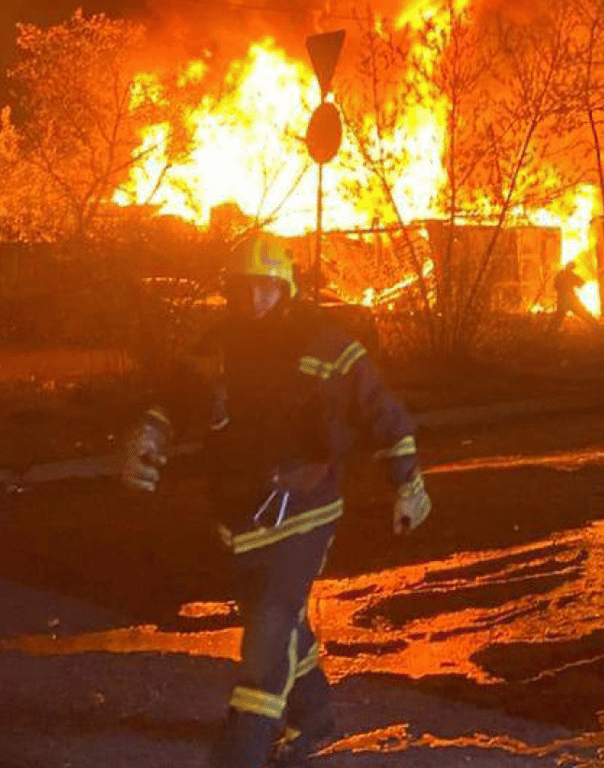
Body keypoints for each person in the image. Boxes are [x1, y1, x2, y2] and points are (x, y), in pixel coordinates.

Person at [120, 236, 432, 767]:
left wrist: (408, 483)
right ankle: (315, 716)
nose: (254, 301)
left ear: (286, 289)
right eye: (243, 290)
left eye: (266, 288)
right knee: (281, 618)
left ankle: (244, 747)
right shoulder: (216, 346)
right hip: (239, 513)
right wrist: (147, 437)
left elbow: (384, 413)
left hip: (304, 508)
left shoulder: (328, 344)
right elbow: (174, 400)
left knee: (267, 633)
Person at [550, 261, 598, 331]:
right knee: (583, 313)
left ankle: (551, 331)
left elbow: (555, 286)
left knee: (558, 317)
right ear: (571, 268)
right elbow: (582, 283)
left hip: (562, 300)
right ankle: (595, 325)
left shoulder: (560, 275)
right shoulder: (571, 275)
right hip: (571, 300)